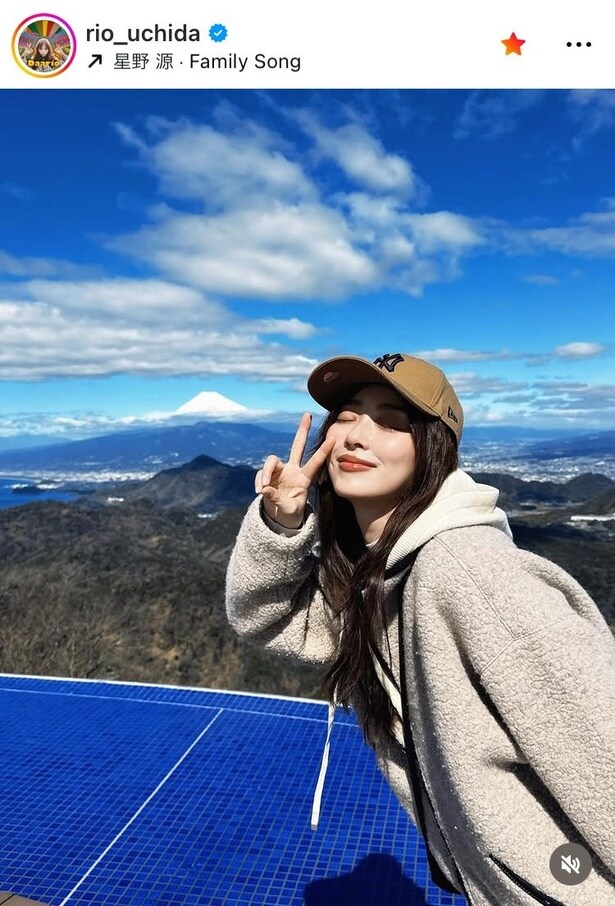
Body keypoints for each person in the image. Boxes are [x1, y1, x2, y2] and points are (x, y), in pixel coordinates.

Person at [225, 351, 615, 906]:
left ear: (433, 449)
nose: (357, 435)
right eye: (347, 415)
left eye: (390, 421)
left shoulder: (469, 571)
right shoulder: (381, 575)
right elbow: (268, 618)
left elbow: (603, 746)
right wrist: (283, 521)